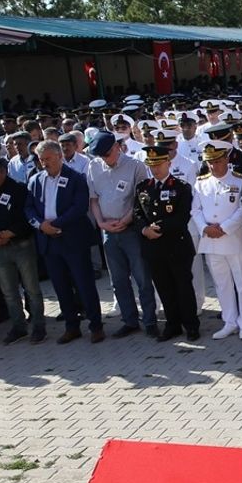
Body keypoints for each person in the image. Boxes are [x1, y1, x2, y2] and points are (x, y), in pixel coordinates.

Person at [28, 140, 103, 343]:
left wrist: (57, 224)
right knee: (60, 286)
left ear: (60, 157)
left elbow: (79, 207)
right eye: (41, 160)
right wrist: (41, 225)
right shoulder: (35, 180)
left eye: (48, 159)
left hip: (73, 239)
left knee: (84, 284)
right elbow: (29, 208)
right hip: (49, 242)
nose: (44, 163)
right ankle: (72, 326)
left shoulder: (76, 178)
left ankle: (96, 325)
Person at [87, 131, 158, 338]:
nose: (105, 159)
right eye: (100, 155)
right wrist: (101, 223)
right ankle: (130, 320)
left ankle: (150, 320)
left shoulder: (136, 166)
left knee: (142, 277)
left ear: (118, 147)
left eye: (107, 154)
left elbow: (141, 199)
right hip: (108, 231)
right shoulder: (94, 166)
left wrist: (126, 220)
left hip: (132, 230)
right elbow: (93, 199)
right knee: (118, 280)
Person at [0, 155, 45, 344]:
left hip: (21, 245)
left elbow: (27, 218)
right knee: (9, 292)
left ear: (4, 172)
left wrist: (10, 233)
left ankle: (39, 326)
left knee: (32, 289)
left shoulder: (19, 190)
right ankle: (18, 326)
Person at [134, 145, 199, 342]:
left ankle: (191, 325)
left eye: (159, 164)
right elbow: (137, 213)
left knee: (183, 287)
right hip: (153, 248)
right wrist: (145, 229)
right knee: (164, 287)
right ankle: (172, 324)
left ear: (168, 163)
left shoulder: (180, 187)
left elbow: (182, 217)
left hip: (176, 246)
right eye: (152, 165)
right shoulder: (143, 187)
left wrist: (158, 228)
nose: (155, 169)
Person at [192, 140, 242, 340]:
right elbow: (195, 209)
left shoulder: (239, 180)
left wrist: (225, 228)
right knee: (222, 284)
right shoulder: (201, 182)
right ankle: (230, 321)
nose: (213, 165)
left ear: (227, 158)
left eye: (217, 160)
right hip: (211, 241)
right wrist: (205, 228)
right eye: (210, 161)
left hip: (235, 239)